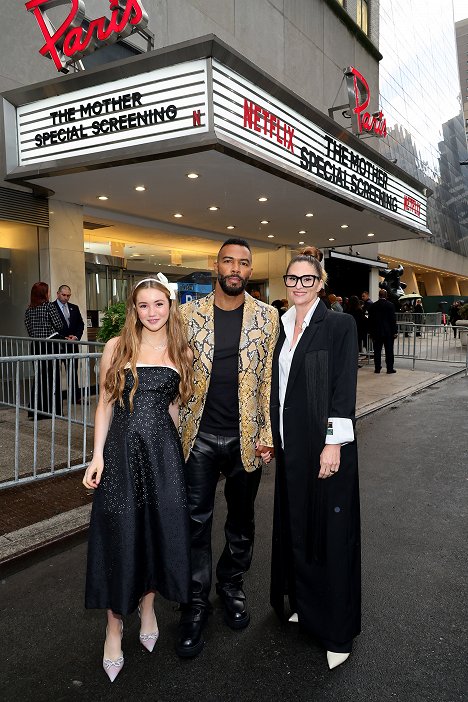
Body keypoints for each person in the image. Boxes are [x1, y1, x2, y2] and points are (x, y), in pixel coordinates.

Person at [83, 275, 194, 682]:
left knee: (155, 533)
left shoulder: (181, 350)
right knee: (121, 536)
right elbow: (104, 406)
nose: (151, 312)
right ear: (135, 309)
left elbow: (174, 411)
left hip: (163, 458)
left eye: (158, 304)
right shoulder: (116, 347)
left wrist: (177, 460)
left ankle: (147, 607)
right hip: (120, 456)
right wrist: (96, 457)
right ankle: (114, 627)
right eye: (143, 305)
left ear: (169, 305)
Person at [176, 238, 279, 658]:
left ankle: (232, 586)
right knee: (195, 524)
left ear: (250, 271)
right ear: (215, 265)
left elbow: (268, 380)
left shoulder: (268, 317)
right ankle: (195, 603)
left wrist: (266, 434)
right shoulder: (185, 315)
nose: (235, 268)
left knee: (241, 520)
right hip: (196, 436)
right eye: (228, 261)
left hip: (246, 437)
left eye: (243, 263)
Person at [269, 246, 360, 670]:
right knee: (298, 528)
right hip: (292, 447)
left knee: (330, 533)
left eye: (307, 279)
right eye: (292, 279)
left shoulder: (339, 324)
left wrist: (332, 443)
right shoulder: (283, 325)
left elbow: (343, 388)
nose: (299, 286)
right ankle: (305, 606)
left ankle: (337, 631)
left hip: (325, 447)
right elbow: (280, 389)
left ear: (321, 284)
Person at [24, 282, 63, 419]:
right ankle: (53, 410)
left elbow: (29, 329)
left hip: (36, 346)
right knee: (52, 378)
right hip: (49, 345)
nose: (49, 293)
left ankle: (36, 410)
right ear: (43, 293)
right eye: (47, 291)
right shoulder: (49, 307)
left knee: (39, 377)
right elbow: (59, 324)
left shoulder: (29, 310)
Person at [52, 284, 85, 403]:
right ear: (58, 294)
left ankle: (75, 397)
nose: (66, 298)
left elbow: (80, 324)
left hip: (71, 345)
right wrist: (62, 337)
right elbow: (50, 326)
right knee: (55, 372)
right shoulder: (51, 307)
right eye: (64, 295)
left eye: (68, 295)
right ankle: (55, 399)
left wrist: (76, 336)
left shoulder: (74, 307)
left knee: (72, 371)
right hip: (56, 345)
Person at [367, 289, 398, 374]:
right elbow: (393, 319)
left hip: (376, 332)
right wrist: (395, 331)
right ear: (386, 295)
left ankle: (377, 368)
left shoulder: (373, 306)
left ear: (379, 295)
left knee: (377, 351)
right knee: (389, 351)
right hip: (388, 332)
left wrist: (370, 332)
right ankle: (389, 368)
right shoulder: (390, 305)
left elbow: (371, 320)